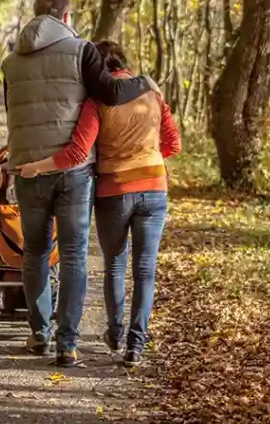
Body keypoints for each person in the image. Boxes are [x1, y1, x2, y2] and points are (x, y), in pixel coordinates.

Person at [2, 0, 151, 368]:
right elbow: (111, 94)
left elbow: (12, 114)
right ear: (66, 18)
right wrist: (146, 82)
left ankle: (39, 334)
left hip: (26, 166)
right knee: (72, 253)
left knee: (34, 251)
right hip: (73, 168)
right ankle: (67, 343)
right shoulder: (82, 50)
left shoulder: (10, 63)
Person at [18, 41, 180, 367]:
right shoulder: (152, 92)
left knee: (116, 265)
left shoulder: (96, 102)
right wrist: (145, 159)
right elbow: (173, 144)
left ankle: (115, 331)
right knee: (146, 270)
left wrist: (36, 167)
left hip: (114, 191)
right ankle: (135, 346)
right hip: (155, 187)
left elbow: (77, 154)